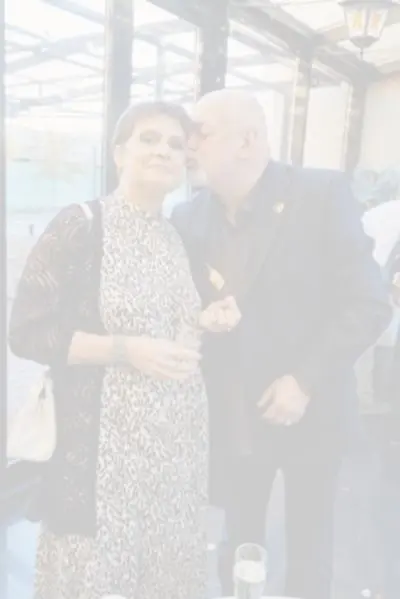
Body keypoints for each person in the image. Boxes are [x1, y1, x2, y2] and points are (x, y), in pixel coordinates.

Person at [171, 89, 392, 599]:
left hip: (311, 410)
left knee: (310, 543)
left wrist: (304, 380)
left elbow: (367, 303)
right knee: (238, 541)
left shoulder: (320, 195)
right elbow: (182, 309)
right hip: (232, 414)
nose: (188, 144)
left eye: (201, 132)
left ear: (247, 141)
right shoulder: (187, 217)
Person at [9, 101, 210, 599]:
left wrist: (206, 323)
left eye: (175, 144)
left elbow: (176, 327)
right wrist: (125, 350)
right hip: (99, 454)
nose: (163, 150)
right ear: (119, 153)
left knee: (161, 568)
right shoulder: (82, 224)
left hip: (174, 451)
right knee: (97, 571)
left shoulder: (176, 237)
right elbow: (28, 332)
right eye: (149, 138)